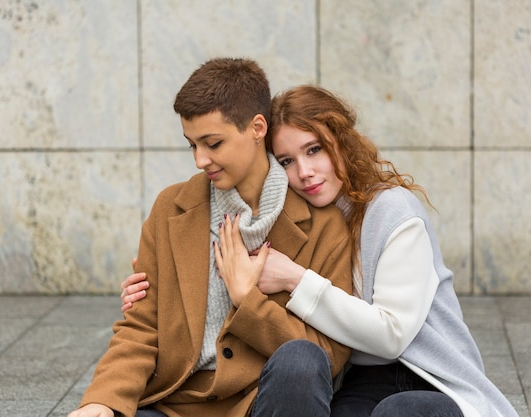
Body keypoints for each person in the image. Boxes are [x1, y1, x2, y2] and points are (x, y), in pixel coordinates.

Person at [122, 85, 520, 417]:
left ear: (342, 143)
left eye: (315, 150)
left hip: (426, 375)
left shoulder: (393, 210)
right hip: (354, 382)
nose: (304, 172)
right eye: (287, 161)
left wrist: (295, 279)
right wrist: (159, 289)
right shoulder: (310, 218)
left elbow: (391, 336)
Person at [70, 60, 352, 417]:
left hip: (259, 404)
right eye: (192, 145)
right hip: (173, 404)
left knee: (301, 360)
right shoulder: (171, 209)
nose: (200, 160)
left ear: (257, 128)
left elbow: (325, 357)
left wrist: (248, 300)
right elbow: (141, 326)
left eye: (213, 143)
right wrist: (102, 399)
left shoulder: (324, 226)